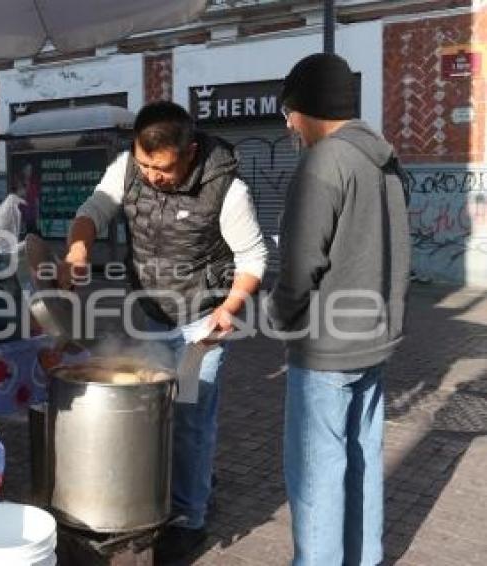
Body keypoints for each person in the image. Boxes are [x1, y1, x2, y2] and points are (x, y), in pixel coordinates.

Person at [62, 101, 267, 563]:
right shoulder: (126, 168)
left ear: (190, 152)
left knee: (190, 416)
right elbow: (94, 210)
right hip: (149, 314)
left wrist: (231, 307)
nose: (153, 176)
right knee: (149, 412)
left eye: (164, 168)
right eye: (145, 165)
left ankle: (190, 518)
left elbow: (253, 257)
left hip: (202, 321)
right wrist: (77, 249)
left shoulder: (228, 189)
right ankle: (165, 489)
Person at [267, 53, 410, 566]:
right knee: (362, 461)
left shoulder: (324, 162)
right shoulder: (384, 161)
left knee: (317, 477)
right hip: (373, 341)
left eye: (289, 112)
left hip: (325, 349)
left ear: (311, 107)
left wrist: (278, 317)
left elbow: (300, 265)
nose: (288, 124)